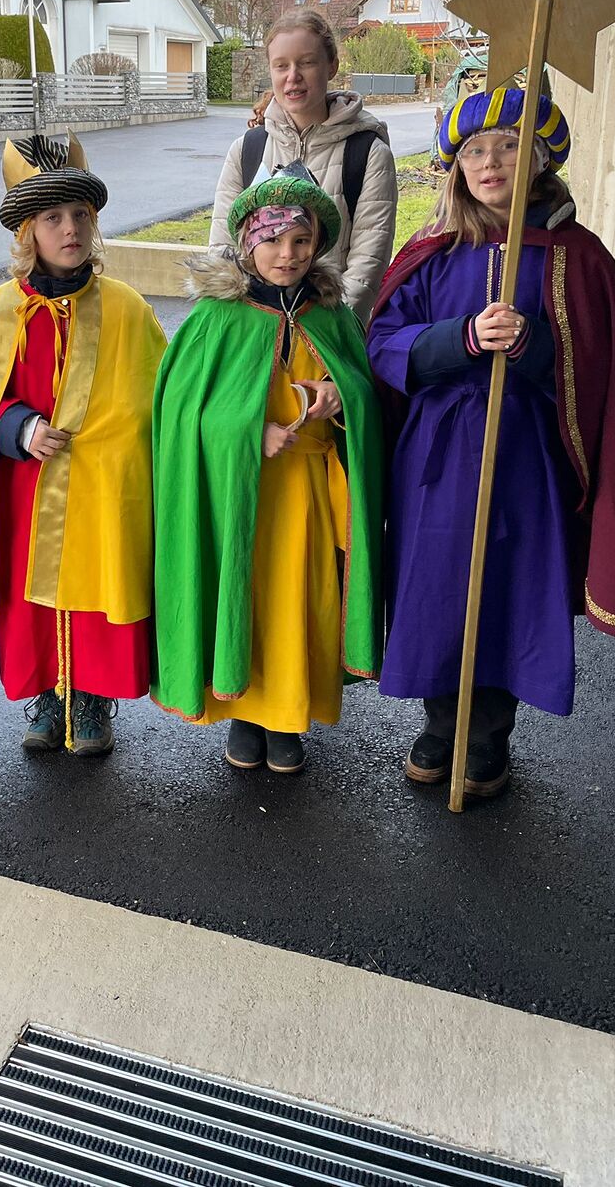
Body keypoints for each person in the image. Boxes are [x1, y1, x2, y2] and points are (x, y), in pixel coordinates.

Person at [367, 88, 615, 798]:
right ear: (455, 167)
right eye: (475, 151)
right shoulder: (432, 250)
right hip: (436, 453)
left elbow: (596, 364)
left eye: (510, 146)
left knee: (506, 584)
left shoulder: (576, 257)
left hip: (525, 452)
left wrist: (531, 343)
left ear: (542, 160)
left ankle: (487, 732)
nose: (490, 162)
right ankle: (440, 723)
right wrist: (458, 338)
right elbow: (384, 343)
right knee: (436, 582)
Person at [152, 167, 383, 774]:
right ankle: (248, 714)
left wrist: (339, 397)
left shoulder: (332, 315)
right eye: (273, 239)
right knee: (247, 596)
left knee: (302, 601)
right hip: (241, 494)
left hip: (308, 492)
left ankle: (287, 716)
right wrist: (248, 432)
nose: (288, 254)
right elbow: (181, 415)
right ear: (247, 242)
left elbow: (363, 390)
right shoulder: (216, 319)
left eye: (302, 241)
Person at [0, 133, 166, 755]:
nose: (69, 229)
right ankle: (47, 695)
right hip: (27, 486)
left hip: (102, 490)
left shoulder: (126, 308)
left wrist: (115, 444)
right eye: (51, 218)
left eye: (79, 215)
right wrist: (20, 428)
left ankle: (92, 699)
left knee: (97, 595)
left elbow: (158, 398)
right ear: (27, 232)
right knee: (31, 600)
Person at [209, 9, 398, 324]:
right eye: (281, 65)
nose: (292, 76)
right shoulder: (247, 150)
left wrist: (321, 332)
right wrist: (243, 325)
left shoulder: (368, 154)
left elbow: (367, 264)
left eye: (307, 63)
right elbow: (223, 248)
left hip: (329, 335)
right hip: (252, 330)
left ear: (332, 66)